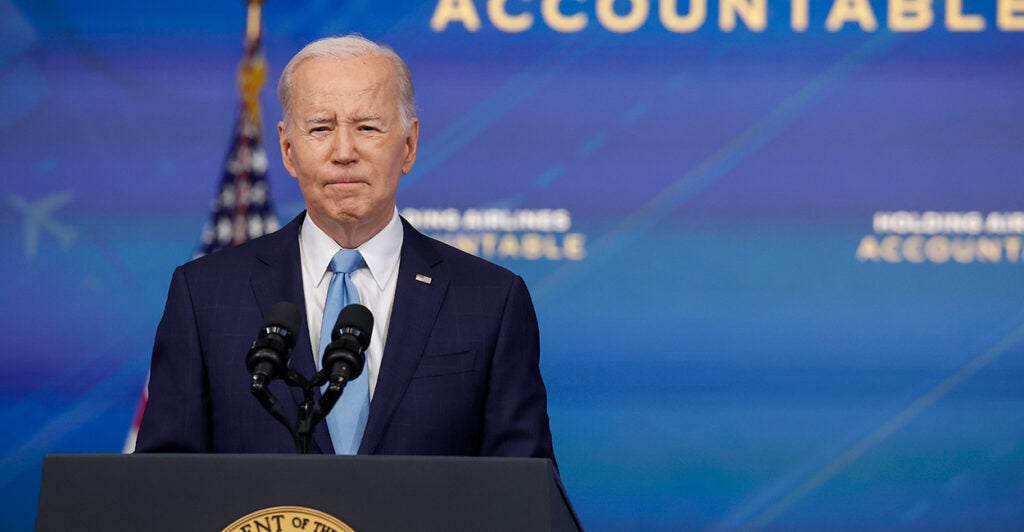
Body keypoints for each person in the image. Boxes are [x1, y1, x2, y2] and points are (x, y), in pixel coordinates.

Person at [135, 34, 555, 459]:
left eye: (367, 127)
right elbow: (165, 486)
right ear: (287, 149)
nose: (343, 152)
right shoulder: (205, 296)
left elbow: (524, 492)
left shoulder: (490, 301)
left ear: (408, 145)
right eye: (320, 128)